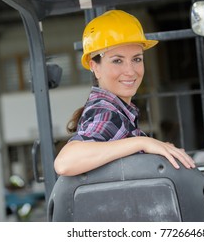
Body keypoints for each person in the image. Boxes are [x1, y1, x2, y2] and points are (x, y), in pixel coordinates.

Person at [54, 10, 196, 176]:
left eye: (136, 59)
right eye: (117, 61)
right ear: (95, 67)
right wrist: (142, 142)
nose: (130, 71)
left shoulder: (119, 111)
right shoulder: (106, 112)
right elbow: (65, 162)